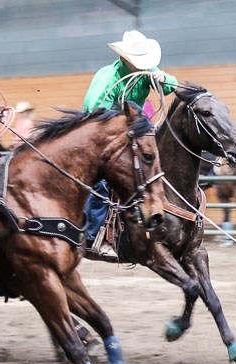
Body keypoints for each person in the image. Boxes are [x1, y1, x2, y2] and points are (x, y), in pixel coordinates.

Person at [82, 29, 179, 256]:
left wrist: (164, 79)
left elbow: (171, 85)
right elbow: (94, 111)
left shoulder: (146, 71)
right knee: (103, 181)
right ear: (125, 58)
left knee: (150, 168)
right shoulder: (109, 79)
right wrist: (122, 125)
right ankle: (91, 235)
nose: (145, 66)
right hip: (102, 133)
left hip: (130, 130)